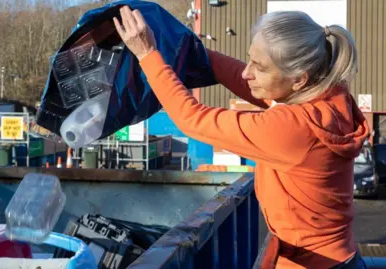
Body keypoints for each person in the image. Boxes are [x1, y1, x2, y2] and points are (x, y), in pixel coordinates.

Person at [113, 5, 370, 269]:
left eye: (259, 66)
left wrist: (148, 55)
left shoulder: (292, 128)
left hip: (309, 263)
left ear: (299, 80)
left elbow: (192, 118)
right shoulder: (330, 99)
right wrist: (194, 49)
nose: (248, 72)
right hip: (342, 258)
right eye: (250, 59)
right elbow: (242, 77)